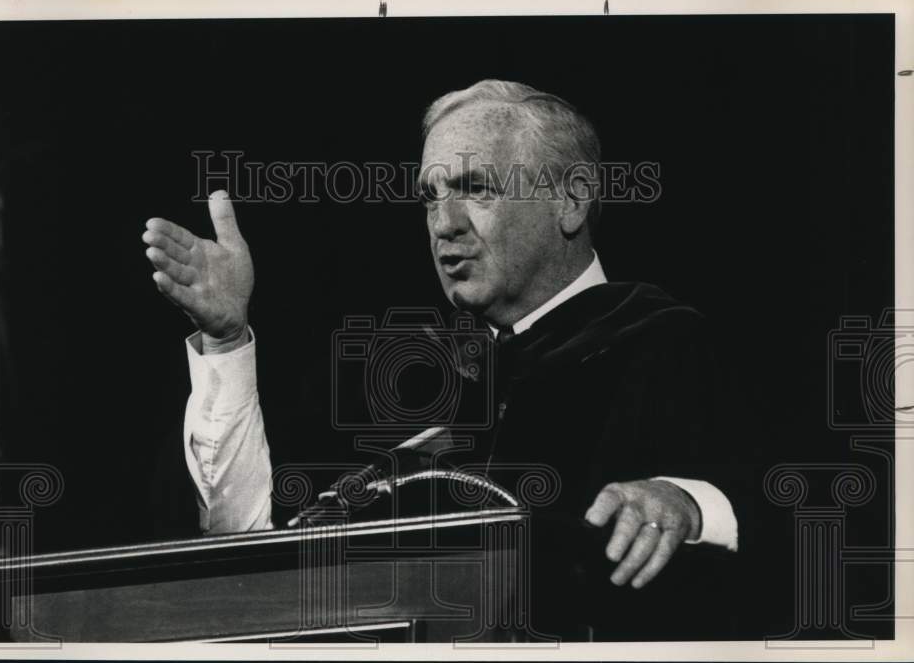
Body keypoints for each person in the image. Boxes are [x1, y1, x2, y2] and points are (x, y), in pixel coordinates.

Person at [141, 80, 747, 639]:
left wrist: (689, 504)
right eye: (431, 198)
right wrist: (226, 342)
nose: (444, 225)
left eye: (475, 188)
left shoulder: (666, 344)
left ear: (571, 201)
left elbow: (784, 517)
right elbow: (251, 556)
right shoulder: (405, 372)